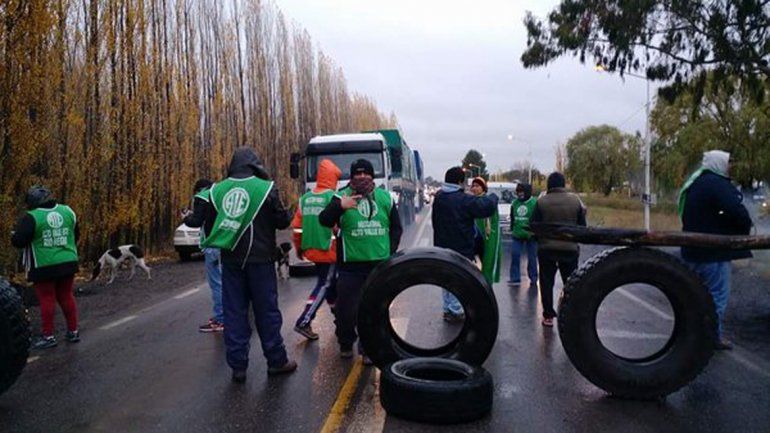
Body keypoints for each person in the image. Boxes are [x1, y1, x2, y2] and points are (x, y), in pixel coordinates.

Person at [199, 147, 296, 382]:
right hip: (261, 260)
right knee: (266, 312)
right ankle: (276, 361)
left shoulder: (217, 190)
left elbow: (210, 227)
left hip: (231, 261)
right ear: (256, 165)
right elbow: (281, 221)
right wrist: (290, 210)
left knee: (234, 313)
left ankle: (238, 367)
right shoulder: (266, 188)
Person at [319, 159, 402, 364]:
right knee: (346, 311)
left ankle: (367, 349)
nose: (362, 177)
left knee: (373, 309)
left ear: (372, 176)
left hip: (378, 265)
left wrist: (389, 250)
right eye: (358, 173)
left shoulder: (385, 198)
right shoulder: (341, 196)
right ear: (352, 176)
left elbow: (396, 228)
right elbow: (324, 220)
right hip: (350, 266)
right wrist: (340, 206)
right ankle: (346, 342)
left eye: (366, 174)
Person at [679, 150, 752, 351]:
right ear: (719, 164)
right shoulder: (717, 184)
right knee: (716, 297)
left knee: (693, 295)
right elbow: (736, 210)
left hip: (692, 249)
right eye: (728, 163)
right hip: (713, 252)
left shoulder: (697, 183)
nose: (731, 168)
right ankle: (710, 338)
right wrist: (744, 228)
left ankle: (690, 336)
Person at [12, 186, 81, 349]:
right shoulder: (68, 211)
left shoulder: (32, 217)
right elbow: (75, 234)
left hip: (44, 265)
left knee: (47, 298)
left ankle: (48, 336)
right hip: (68, 261)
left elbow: (18, 241)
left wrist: (14, 234)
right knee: (66, 296)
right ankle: (73, 331)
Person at [432, 167, 498, 322]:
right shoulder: (462, 199)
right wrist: (494, 197)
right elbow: (485, 207)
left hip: (442, 246)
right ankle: (456, 311)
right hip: (460, 248)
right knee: (458, 279)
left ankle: (448, 308)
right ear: (460, 182)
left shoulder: (439, 197)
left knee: (446, 279)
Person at [291, 159, 342, 340]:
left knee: (330, 286)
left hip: (311, 249)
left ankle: (340, 320)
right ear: (333, 178)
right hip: (329, 249)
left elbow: (297, 227)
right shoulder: (333, 199)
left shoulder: (305, 199)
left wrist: (299, 248)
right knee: (325, 285)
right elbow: (339, 226)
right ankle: (304, 321)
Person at [530, 172, 586, 327]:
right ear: (563, 184)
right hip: (569, 249)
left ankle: (548, 316)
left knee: (547, 283)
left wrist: (539, 239)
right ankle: (571, 313)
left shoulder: (542, 202)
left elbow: (534, 225)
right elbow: (582, 226)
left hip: (547, 249)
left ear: (549, 184)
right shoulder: (575, 201)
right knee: (571, 282)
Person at [183, 178, 224, 333]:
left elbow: (196, 221)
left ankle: (221, 319)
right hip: (225, 243)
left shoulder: (202, 197)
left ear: (198, 189)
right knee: (226, 282)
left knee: (217, 284)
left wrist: (186, 217)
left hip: (212, 245)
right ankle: (228, 315)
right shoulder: (220, 194)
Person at [469, 177, 501, 285]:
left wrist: (490, 238)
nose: (475, 188)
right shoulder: (470, 201)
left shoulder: (489, 202)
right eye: (473, 186)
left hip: (487, 238)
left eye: (477, 186)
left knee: (487, 264)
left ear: (483, 188)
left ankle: (486, 289)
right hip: (473, 237)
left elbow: (494, 224)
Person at [509, 183, 538, 288]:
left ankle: (533, 278)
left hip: (531, 235)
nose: (520, 194)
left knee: (532, 258)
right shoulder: (515, 203)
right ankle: (515, 278)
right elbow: (512, 217)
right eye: (518, 192)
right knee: (515, 255)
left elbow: (538, 219)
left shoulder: (534, 203)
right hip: (517, 234)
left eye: (522, 192)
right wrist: (512, 228)